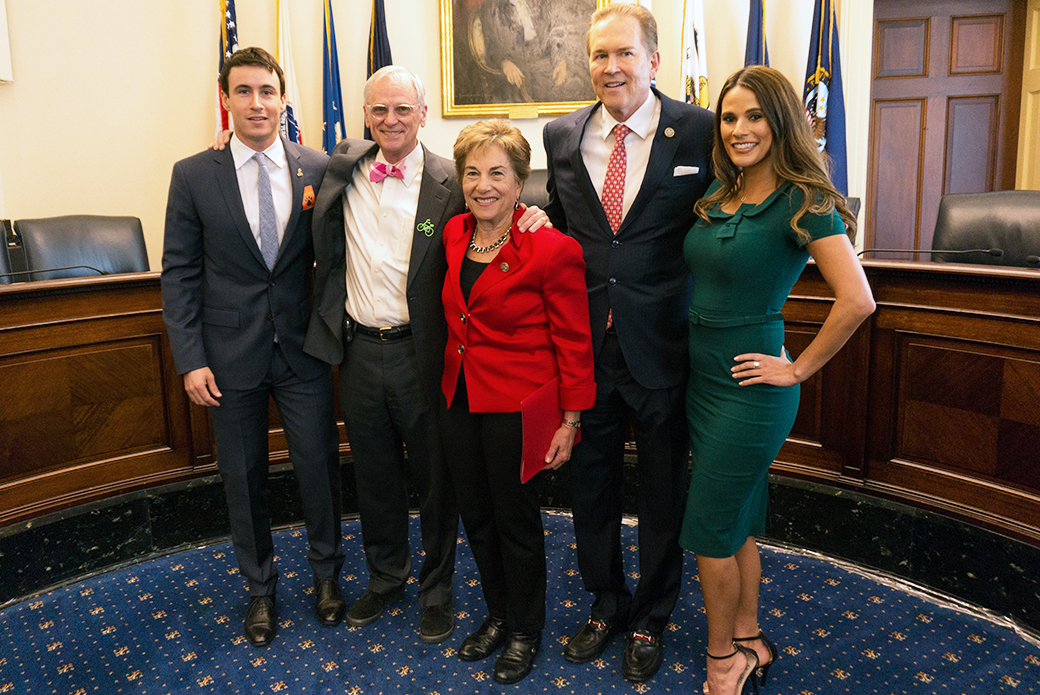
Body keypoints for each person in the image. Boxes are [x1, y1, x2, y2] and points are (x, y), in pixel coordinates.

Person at [301, 66, 551, 643]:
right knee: (375, 476)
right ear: (365, 115)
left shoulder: (454, 179)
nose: (391, 120)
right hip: (359, 351)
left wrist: (531, 214)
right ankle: (386, 576)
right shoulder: (341, 166)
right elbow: (279, 164)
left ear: (423, 113)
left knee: (439, 481)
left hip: (428, 355)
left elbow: (499, 220)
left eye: (403, 110)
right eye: (380, 110)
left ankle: (437, 591)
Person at [681, 65, 875, 695]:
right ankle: (748, 634)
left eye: (755, 116)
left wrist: (796, 369)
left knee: (709, 526)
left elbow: (857, 301)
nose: (739, 129)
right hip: (702, 381)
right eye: (730, 117)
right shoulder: (718, 192)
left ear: (781, 120)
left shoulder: (804, 199)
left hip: (753, 388)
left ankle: (722, 662)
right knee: (733, 517)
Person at [541, 4, 713, 682]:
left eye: (624, 54)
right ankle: (606, 601)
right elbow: (558, 230)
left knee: (665, 489)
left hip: (663, 344)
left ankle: (652, 614)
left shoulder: (699, 130)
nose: (610, 67)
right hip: (584, 346)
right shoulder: (560, 135)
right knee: (592, 487)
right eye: (599, 56)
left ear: (654, 60)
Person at [161, 47, 344, 648]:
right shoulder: (193, 173)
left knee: (318, 470)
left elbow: (384, 168)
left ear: (283, 98)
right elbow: (180, 272)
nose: (257, 103)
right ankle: (260, 592)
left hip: (303, 354)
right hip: (227, 357)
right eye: (244, 92)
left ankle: (326, 579)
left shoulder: (317, 165)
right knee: (243, 479)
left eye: (267, 91)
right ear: (226, 98)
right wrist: (189, 358)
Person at [440, 119, 596, 684]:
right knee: (476, 517)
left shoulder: (552, 248)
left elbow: (575, 341)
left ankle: (527, 628)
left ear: (520, 180)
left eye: (497, 173)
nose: (484, 185)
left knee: (516, 522)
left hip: (516, 405)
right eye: (473, 172)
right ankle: (498, 614)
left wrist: (571, 419)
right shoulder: (453, 231)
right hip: (459, 397)